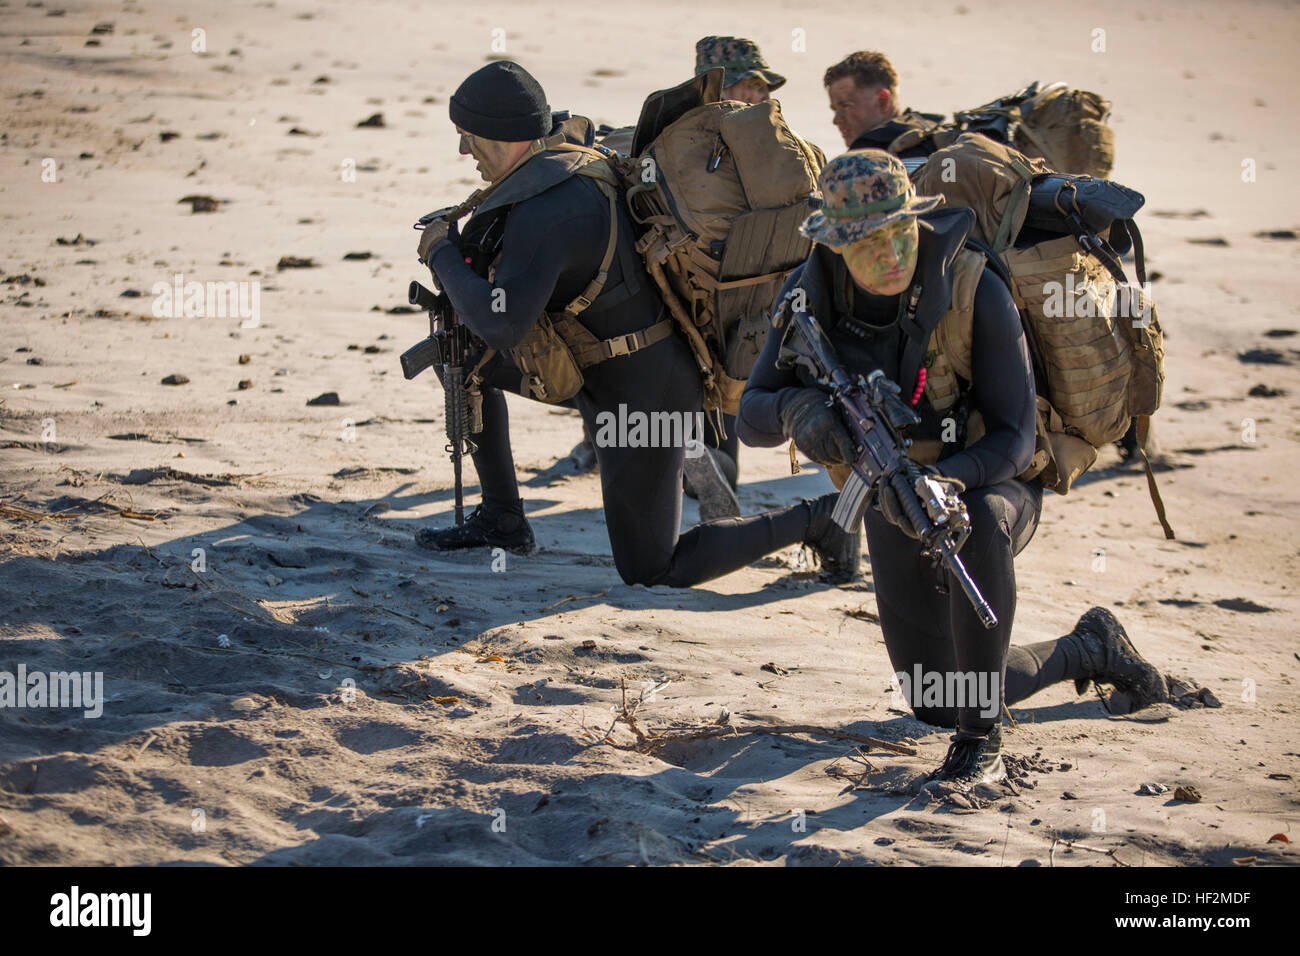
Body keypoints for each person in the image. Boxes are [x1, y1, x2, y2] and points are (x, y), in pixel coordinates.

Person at [738, 149, 1168, 790]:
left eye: (896, 233)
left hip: (991, 481)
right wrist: (798, 409)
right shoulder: (812, 290)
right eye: (864, 242)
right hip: (887, 490)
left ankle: (981, 737)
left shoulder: (974, 287)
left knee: (980, 527)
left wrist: (952, 481)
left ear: (915, 220)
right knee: (935, 695)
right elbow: (750, 414)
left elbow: (1016, 437)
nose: (887, 254)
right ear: (833, 242)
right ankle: (1089, 647)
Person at [412, 60, 858, 587]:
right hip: (587, 363)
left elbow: (500, 324)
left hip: (646, 392)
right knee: (459, 351)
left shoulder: (550, 211)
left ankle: (822, 519)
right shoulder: (560, 162)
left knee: (651, 567)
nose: (463, 152)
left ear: (505, 136)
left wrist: (440, 250)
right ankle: (503, 521)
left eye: (469, 137)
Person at [823, 51, 944, 158]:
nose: (837, 120)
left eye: (846, 106)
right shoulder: (939, 140)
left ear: (883, 101)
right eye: (835, 110)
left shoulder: (867, 160)